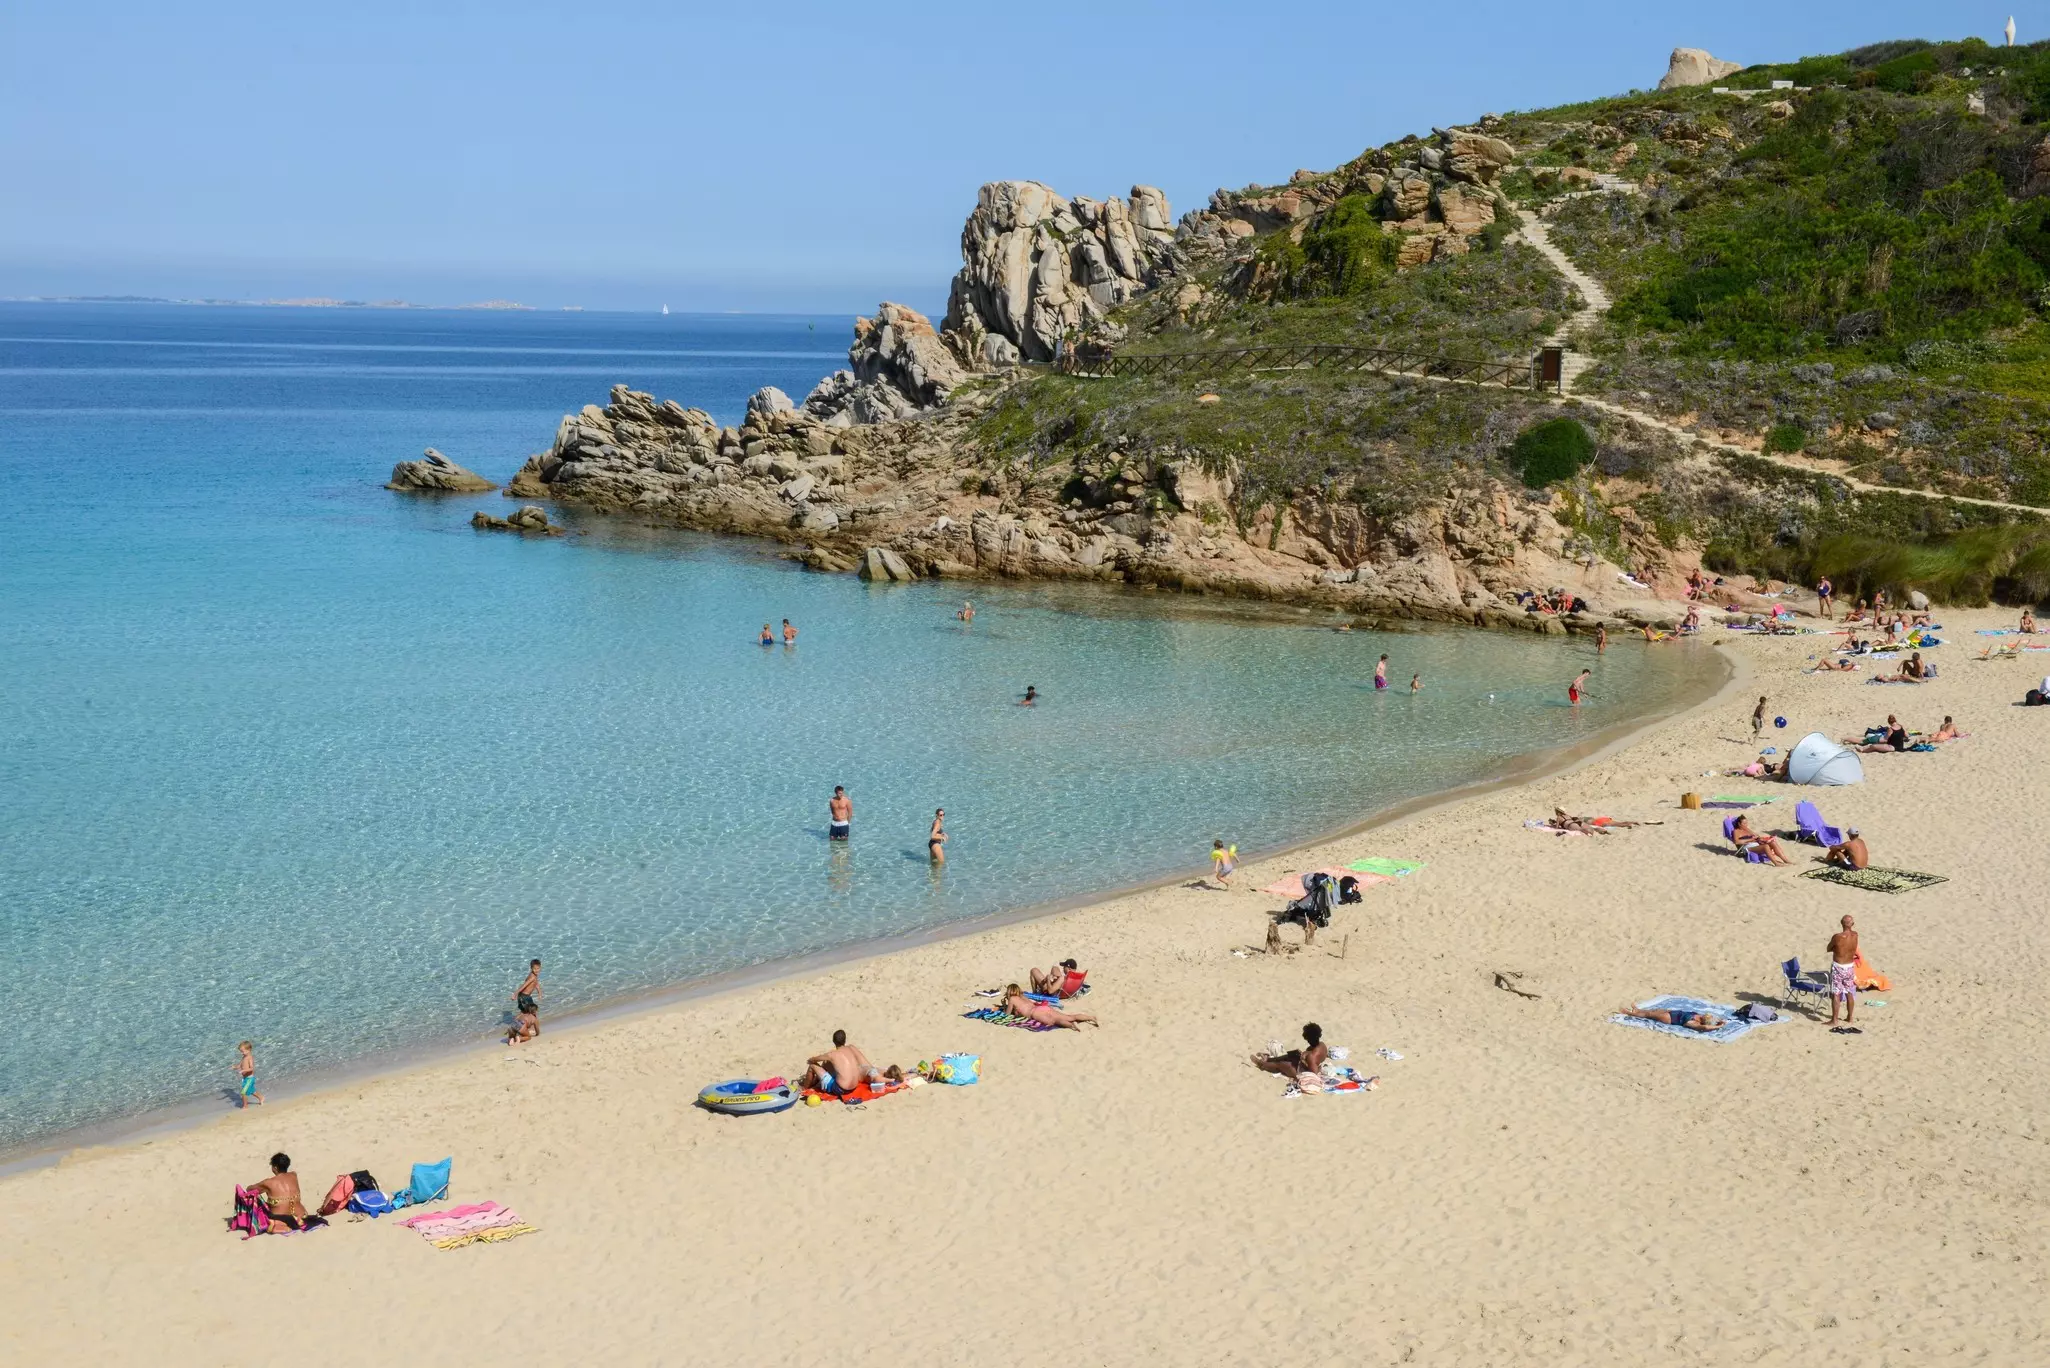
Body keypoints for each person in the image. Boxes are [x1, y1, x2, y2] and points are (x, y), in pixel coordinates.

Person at [247, 1153, 321, 1230]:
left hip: (281, 1219)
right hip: (302, 1216)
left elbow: (249, 1190)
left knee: (253, 1199)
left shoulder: (268, 1183)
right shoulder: (294, 1175)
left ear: (275, 1168)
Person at [801, 1029, 881, 1094]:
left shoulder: (832, 1054)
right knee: (828, 1063)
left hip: (840, 1089)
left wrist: (810, 1060)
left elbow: (814, 1060)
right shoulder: (850, 1049)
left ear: (833, 1041)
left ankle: (804, 1088)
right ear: (845, 1040)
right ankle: (815, 1082)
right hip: (854, 1086)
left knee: (812, 1066)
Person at [1003, 984, 1097, 1029]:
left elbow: (1007, 1014)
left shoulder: (1012, 999)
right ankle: (1090, 1017)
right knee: (1069, 1016)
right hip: (1043, 1007)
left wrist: (1004, 1006)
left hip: (1035, 1013)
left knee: (1054, 1021)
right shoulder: (1023, 996)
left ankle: (1072, 1025)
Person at [1252, 1023, 1328, 1077]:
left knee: (1281, 1064)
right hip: (1308, 1063)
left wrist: (1311, 1064)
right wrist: (1304, 1057)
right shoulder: (1322, 1045)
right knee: (1293, 1054)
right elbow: (1316, 1058)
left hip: (1300, 1073)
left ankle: (1261, 1064)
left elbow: (1314, 1073)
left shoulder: (1312, 1056)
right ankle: (1269, 1059)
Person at [1826, 915, 1860, 1029]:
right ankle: (1850, 1017)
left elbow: (1828, 948)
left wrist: (1837, 949)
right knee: (1849, 991)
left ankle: (1834, 1020)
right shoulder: (1855, 935)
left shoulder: (1837, 937)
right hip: (1850, 966)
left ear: (1841, 923)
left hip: (1839, 966)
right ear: (1852, 924)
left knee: (1836, 992)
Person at [1616, 1005, 1727, 1032]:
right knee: (1654, 1011)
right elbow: (1713, 1021)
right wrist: (1719, 1022)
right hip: (1673, 1012)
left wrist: (1719, 1026)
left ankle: (1630, 1014)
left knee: (1649, 1015)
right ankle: (1638, 1010)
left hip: (1670, 1019)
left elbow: (1706, 1027)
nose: (1706, 1015)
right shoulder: (1698, 1016)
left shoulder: (1694, 1023)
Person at [235, 1041, 264, 1109]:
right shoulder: (244, 1057)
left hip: (249, 1078)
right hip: (245, 1078)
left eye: (243, 1051)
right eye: (241, 1051)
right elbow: (240, 1065)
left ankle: (245, 1106)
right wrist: (235, 1067)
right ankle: (261, 1097)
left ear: (249, 1050)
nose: (242, 1053)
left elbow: (251, 1068)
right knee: (252, 1091)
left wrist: (244, 1070)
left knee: (243, 1092)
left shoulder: (250, 1058)